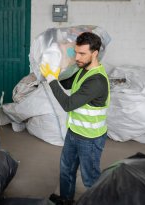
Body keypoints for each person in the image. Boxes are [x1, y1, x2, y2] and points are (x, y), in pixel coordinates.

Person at [40, 32, 110, 205]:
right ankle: (65, 199)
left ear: (94, 53)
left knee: (90, 178)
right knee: (66, 170)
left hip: (90, 139)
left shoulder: (97, 81)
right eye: (76, 52)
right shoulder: (82, 71)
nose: (77, 57)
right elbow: (67, 83)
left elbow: (68, 104)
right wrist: (55, 72)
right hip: (74, 132)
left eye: (82, 54)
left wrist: (51, 80)